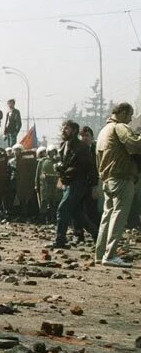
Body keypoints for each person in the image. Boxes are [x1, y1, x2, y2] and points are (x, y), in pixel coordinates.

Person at [93, 102, 141, 266]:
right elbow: (135, 144)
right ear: (121, 113)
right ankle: (111, 255)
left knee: (107, 217)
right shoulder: (119, 127)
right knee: (119, 217)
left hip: (107, 179)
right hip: (122, 178)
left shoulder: (103, 131)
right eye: (129, 115)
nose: (130, 120)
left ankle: (100, 254)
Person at [48, 120, 97, 250]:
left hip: (78, 183)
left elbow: (91, 167)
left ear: (74, 131)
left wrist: (94, 186)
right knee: (77, 214)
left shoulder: (81, 147)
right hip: (68, 183)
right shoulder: (64, 145)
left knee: (62, 209)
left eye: (67, 128)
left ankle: (60, 240)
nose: (63, 130)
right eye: (63, 128)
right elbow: (65, 163)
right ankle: (98, 235)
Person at [35, 147, 59, 222]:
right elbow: (38, 173)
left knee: (54, 202)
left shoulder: (57, 162)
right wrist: (36, 184)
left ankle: (52, 218)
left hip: (55, 185)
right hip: (45, 185)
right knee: (44, 202)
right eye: (51, 152)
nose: (52, 154)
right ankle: (42, 219)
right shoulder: (42, 161)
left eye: (54, 152)